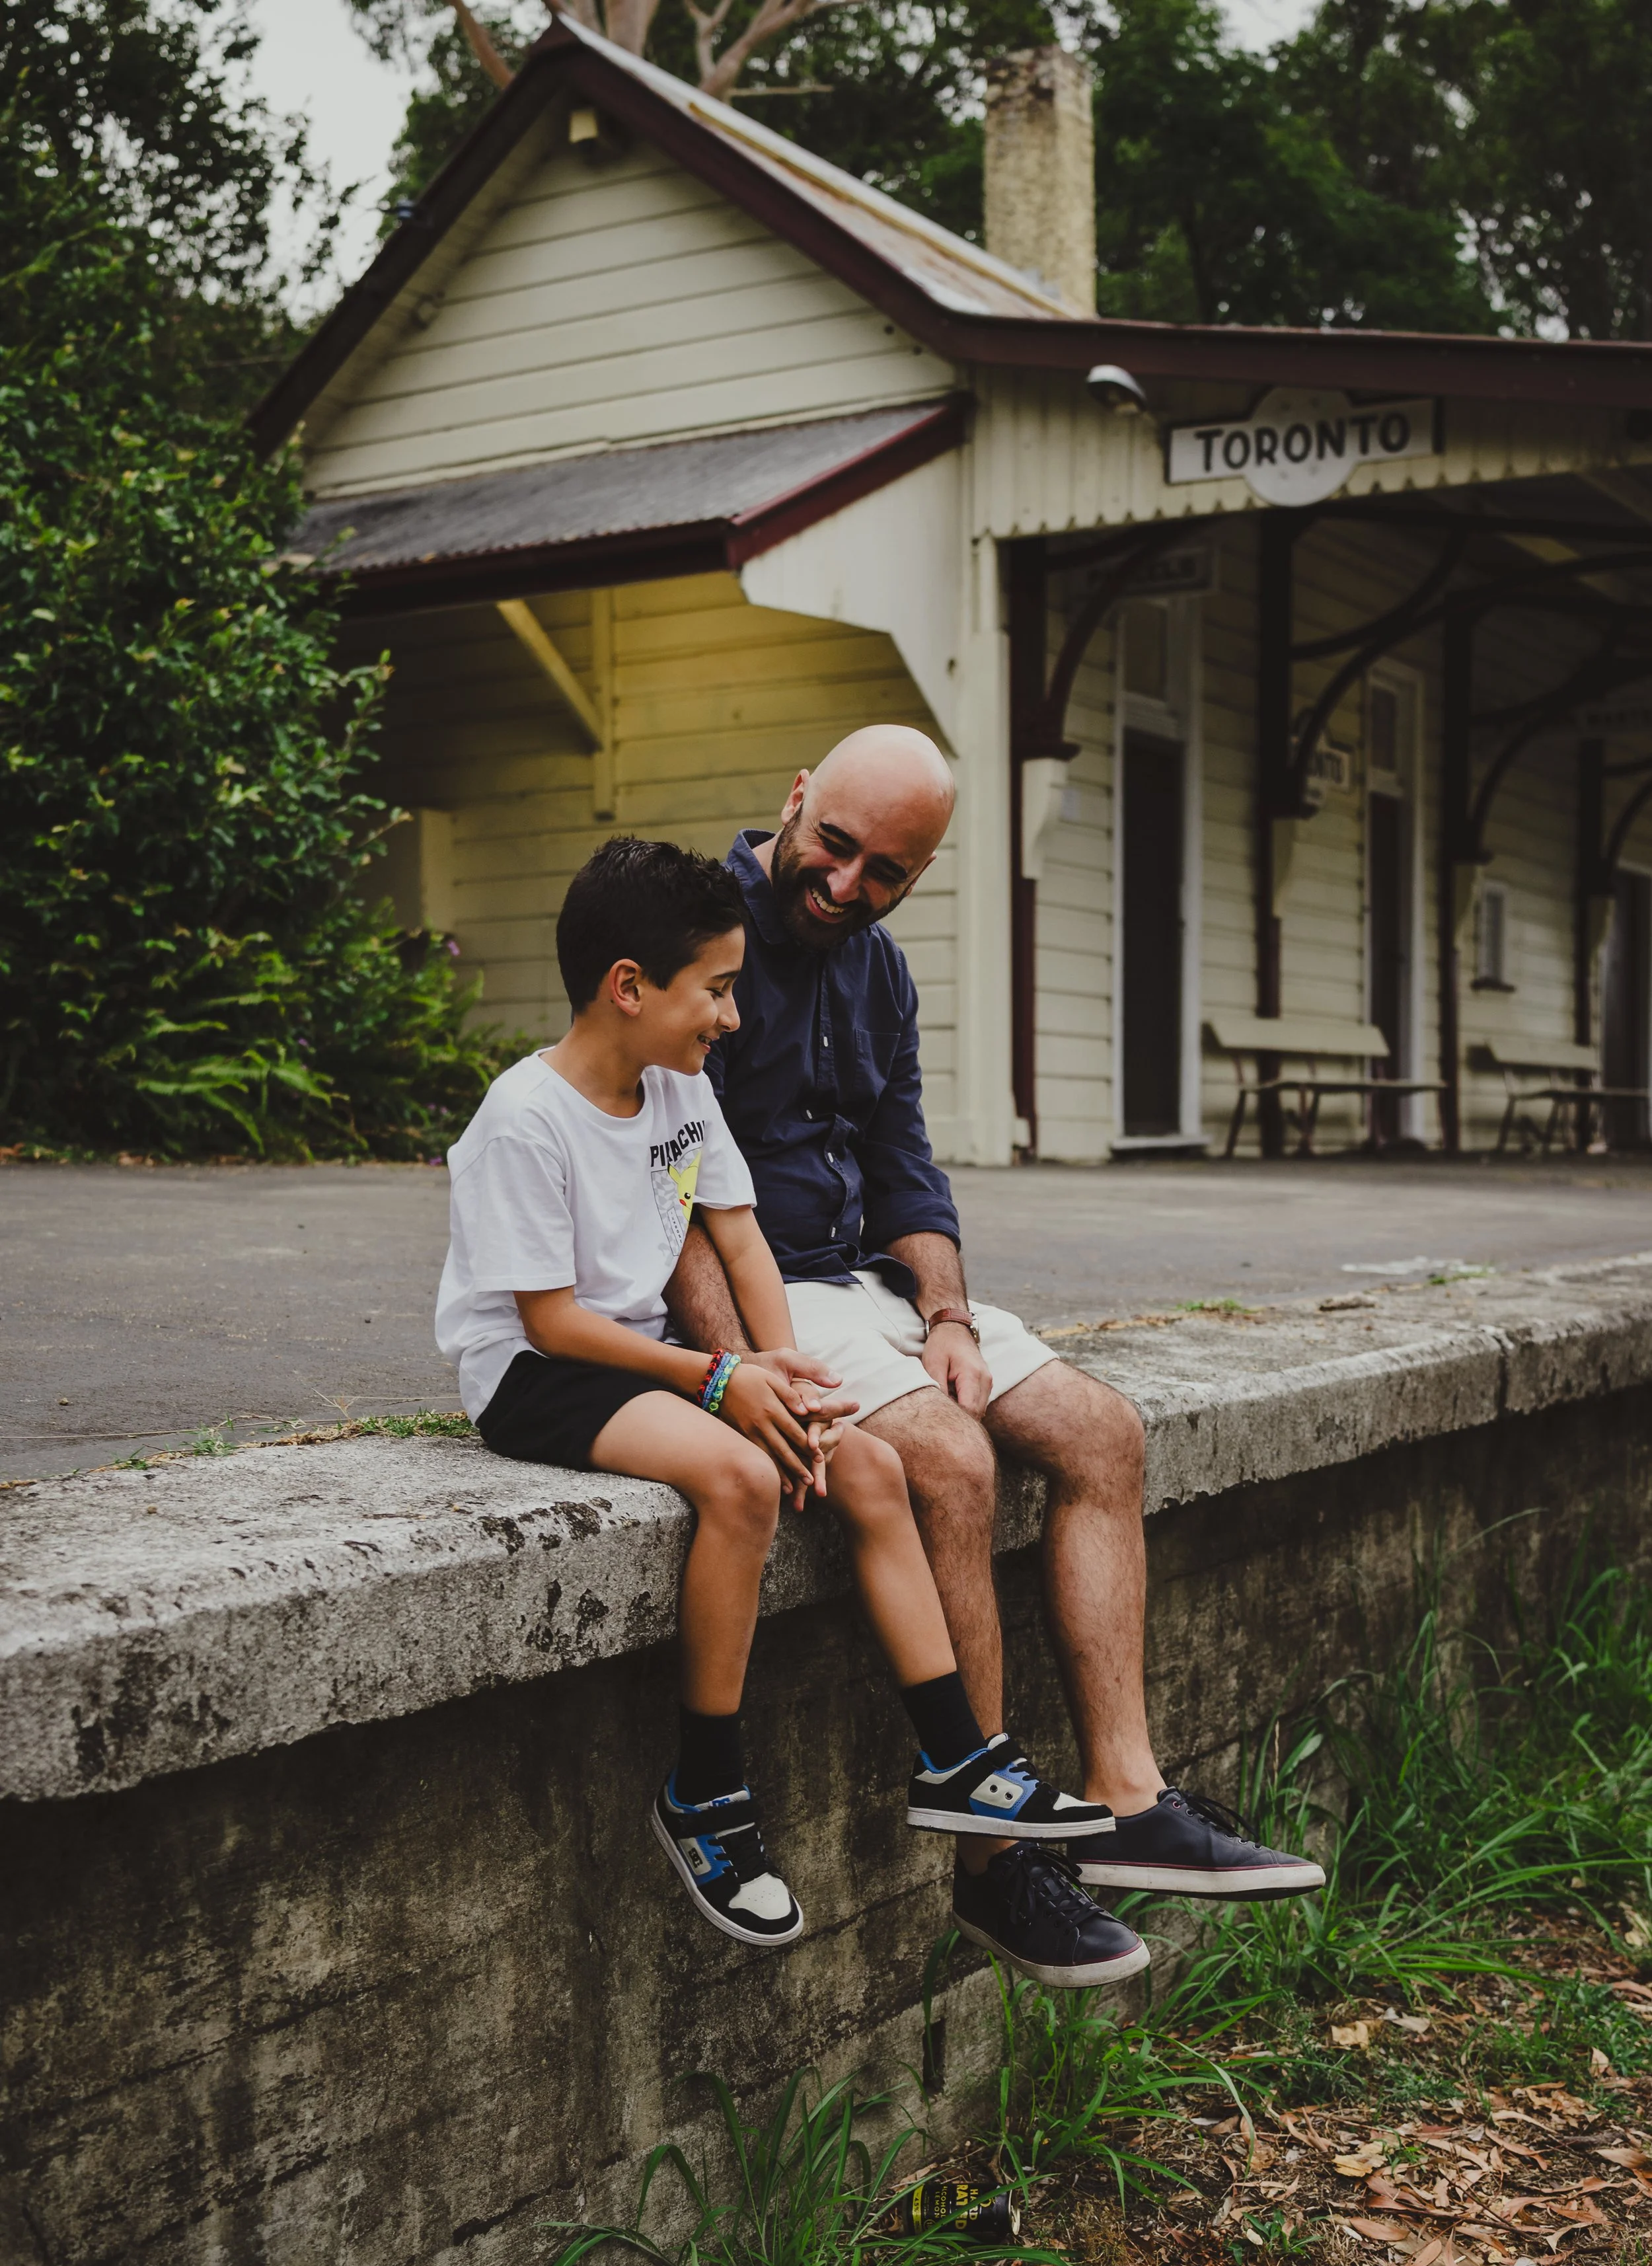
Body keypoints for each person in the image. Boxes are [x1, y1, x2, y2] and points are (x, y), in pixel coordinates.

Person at [664, 728, 1326, 1979]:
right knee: (951, 1460)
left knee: (1102, 1432)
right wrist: (738, 1369)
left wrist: (954, 1317)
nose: (849, 886)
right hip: (774, 1293)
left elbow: (908, 1165)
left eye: (889, 872)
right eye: (836, 848)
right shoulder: (703, 934)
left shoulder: (883, 971)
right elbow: (662, 1191)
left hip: (874, 1281)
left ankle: (1128, 1798)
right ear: (797, 794)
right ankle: (996, 1867)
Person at [435, 836, 1139, 1977]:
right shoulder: (525, 1116)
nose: (731, 1014)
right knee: (741, 1475)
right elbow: (553, 1323)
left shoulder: (679, 1089)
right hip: (539, 1375)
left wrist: (789, 1371)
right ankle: (706, 1787)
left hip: (646, 1358)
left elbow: (740, 1235)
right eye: (714, 989)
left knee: (860, 1463)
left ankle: (958, 1756)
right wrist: (721, 1380)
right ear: (630, 987)